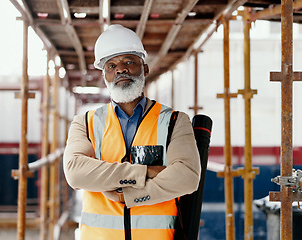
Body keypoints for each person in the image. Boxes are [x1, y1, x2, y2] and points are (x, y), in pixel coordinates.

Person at [63, 24, 200, 240]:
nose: (120, 70)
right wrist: (144, 172)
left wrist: (128, 196)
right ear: (105, 76)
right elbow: (75, 172)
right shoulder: (85, 123)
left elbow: (187, 177)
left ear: (144, 68)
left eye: (129, 61)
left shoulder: (174, 121)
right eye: (111, 65)